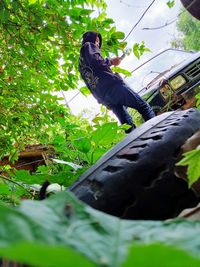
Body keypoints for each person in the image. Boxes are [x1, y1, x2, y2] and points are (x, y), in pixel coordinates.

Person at [78, 31, 155, 132]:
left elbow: (89, 85)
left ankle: (138, 146)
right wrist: (111, 61)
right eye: (96, 41)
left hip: (105, 96)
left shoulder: (80, 64)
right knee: (143, 106)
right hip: (113, 87)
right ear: (90, 39)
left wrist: (103, 101)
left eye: (98, 42)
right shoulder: (88, 45)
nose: (97, 44)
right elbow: (97, 62)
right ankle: (159, 133)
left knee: (127, 125)